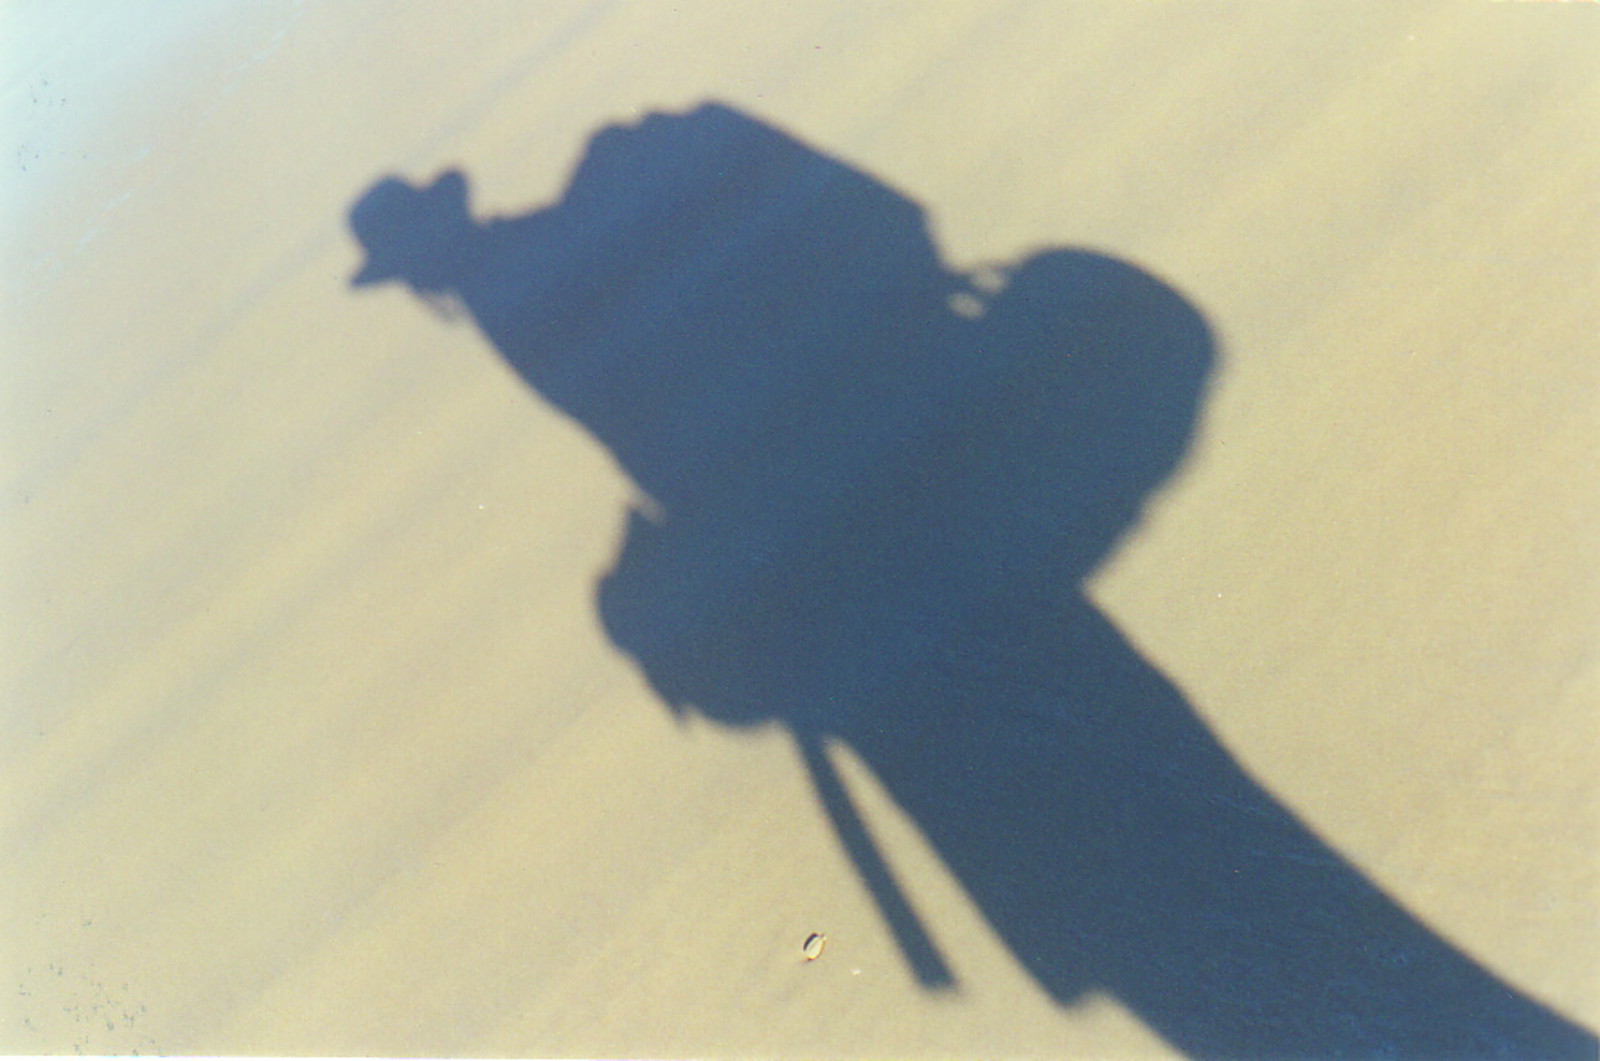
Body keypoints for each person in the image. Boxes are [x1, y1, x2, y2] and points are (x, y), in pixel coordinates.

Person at [350, 102, 1595, 1059]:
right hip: (974, 595)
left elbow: (725, 448)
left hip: (922, 652)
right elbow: (883, 248)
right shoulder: (584, 237)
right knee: (1233, 890)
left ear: (424, 271)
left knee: (1205, 932)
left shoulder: (529, 290)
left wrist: (681, 573)